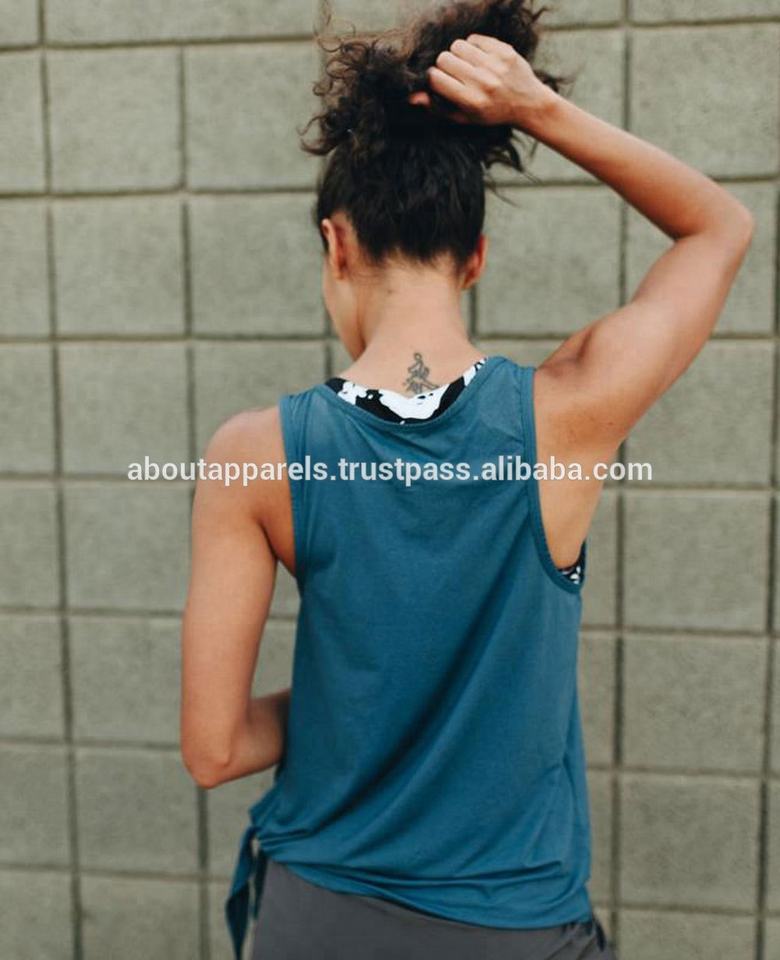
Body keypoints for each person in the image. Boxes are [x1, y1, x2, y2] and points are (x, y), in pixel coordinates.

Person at [179, 1, 755, 958]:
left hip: (317, 918)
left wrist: (358, 698)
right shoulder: (568, 413)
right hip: (512, 927)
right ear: (476, 259)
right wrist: (536, 111)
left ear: (336, 244)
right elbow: (719, 228)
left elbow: (214, 749)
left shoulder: (256, 453)